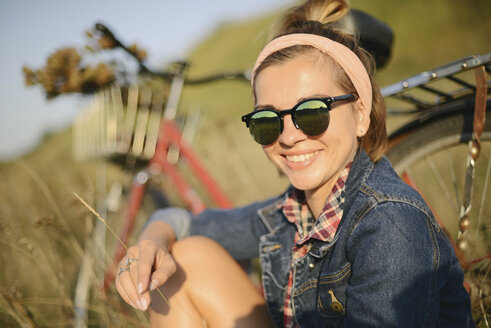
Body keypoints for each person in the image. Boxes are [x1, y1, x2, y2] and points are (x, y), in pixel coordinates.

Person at [115, 0, 474, 326]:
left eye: (312, 113)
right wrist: (151, 243)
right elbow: (182, 223)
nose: (287, 137)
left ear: (361, 115)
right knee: (186, 261)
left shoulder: (390, 225)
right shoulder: (290, 215)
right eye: (267, 121)